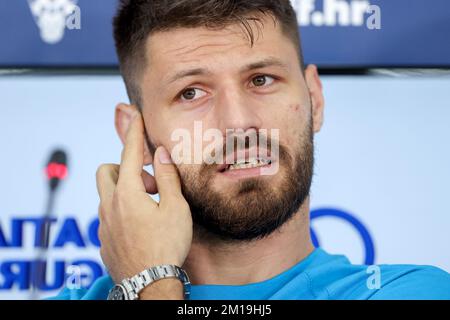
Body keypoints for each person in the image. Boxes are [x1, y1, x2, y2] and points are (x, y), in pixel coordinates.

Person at [51, 0, 450, 300]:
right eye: (191, 92)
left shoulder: (410, 291)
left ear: (315, 97)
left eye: (261, 79)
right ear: (133, 133)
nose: (238, 123)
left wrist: (150, 283)